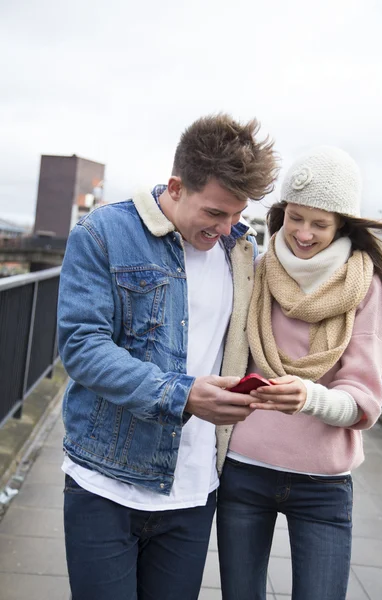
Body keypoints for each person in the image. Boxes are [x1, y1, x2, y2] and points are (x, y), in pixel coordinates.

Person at [57, 113, 278, 600]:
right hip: (105, 482)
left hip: (195, 490)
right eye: (215, 213)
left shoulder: (241, 249)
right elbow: (81, 346)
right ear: (177, 187)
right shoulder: (103, 233)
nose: (227, 227)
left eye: (237, 214)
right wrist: (182, 395)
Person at [216, 146, 382, 600]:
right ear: (281, 213)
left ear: (342, 225)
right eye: (295, 217)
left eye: (320, 224)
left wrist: (308, 397)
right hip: (244, 470)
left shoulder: (366, 287)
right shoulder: (256, 271)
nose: (303, 233)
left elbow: (364, 402)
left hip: (323, 484)